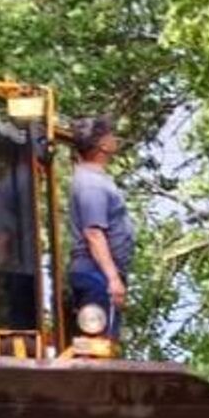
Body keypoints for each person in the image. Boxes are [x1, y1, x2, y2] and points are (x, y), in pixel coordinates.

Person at [66, 115, 135, 340]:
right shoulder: (90, 184)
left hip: (99, 274)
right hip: (96, 276)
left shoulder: (95, 179)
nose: (115, 139)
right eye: (111, 135)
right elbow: (94, 233)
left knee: (105, 346)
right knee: (99, 348)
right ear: (103, 144)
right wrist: (113, 278)